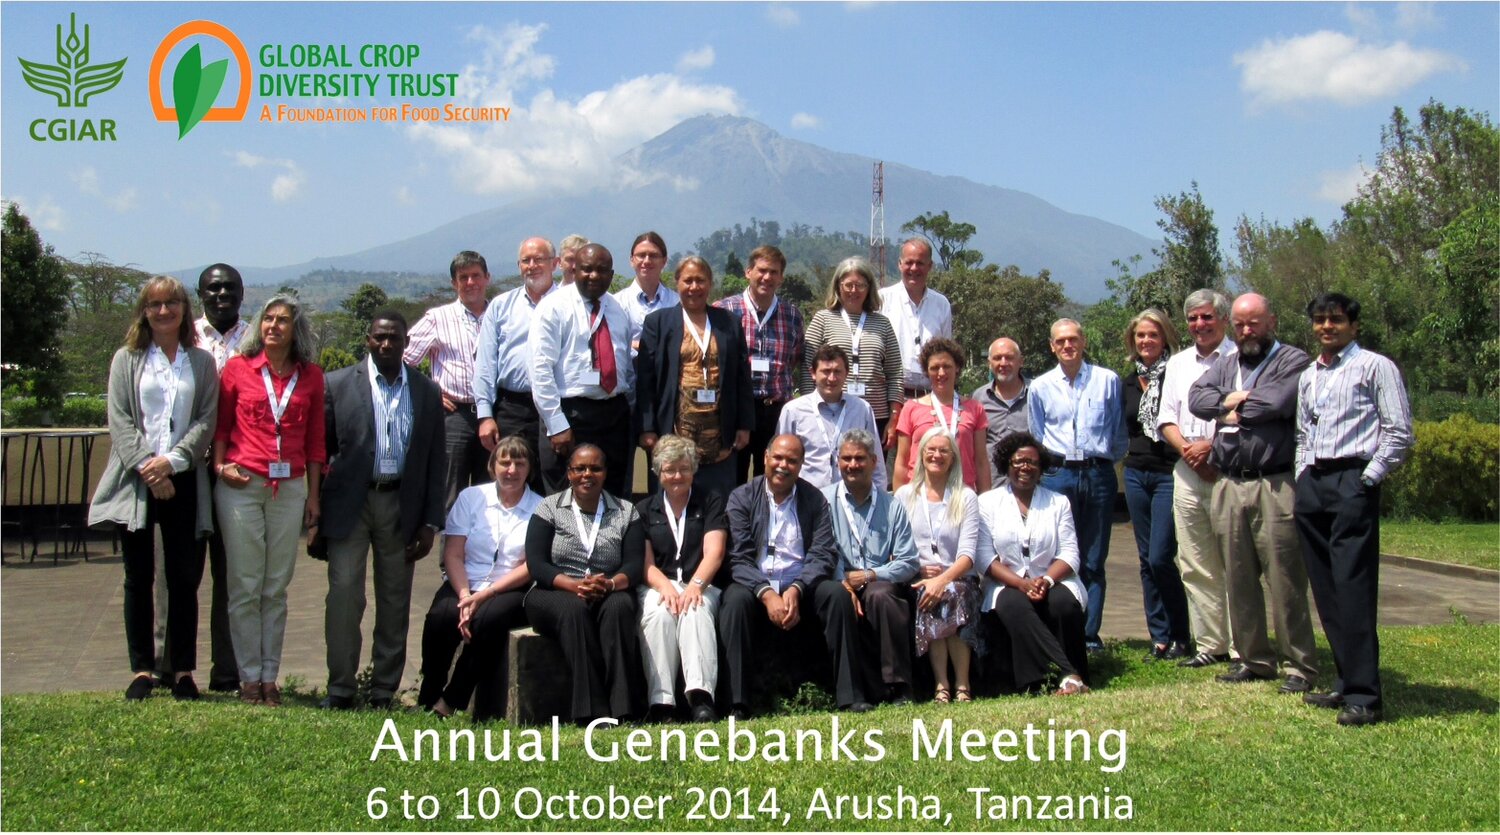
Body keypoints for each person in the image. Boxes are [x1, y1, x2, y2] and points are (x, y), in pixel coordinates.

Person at [88, 276, 218, 700]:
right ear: (143, 311)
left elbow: (205, 420)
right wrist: (149, 467)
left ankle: (181, 669)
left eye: (172, 303)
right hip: (137, 482)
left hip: (183, 478)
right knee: (137, 575)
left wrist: (172, 462)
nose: (164, 311)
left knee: (184, 577)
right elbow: (120, 420)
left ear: (183, 309)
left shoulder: (200, 362)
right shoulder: (127, 360)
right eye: (155, 304)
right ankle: (143, 668)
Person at [1188, 293, 1318, 694]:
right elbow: (1196, 399)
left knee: (1284, 578)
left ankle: (1300, 664)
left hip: (1274, 483)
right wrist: (1229, 402)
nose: (1247, 331)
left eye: (1254, 323)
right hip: (1228, 481)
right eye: (1241, 324)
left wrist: (1230, 406)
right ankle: (1254, 658)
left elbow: (1275, 402)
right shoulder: (1227, 363)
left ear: (1271, 321)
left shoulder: (1292, 361)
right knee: (1239, 575)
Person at [1294, 292, 1413, 726]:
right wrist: (1304, 474)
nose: (1328, 327)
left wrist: (1368, 478)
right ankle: (1345, 681)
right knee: (1325, 588)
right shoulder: (1310, 374)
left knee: (1353, 586)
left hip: (1352, 480)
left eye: (1337, 320)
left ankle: (1366, 695)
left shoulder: (1375, 367)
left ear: (1354, 325)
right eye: (1321, 321)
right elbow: (1304, 431)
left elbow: (1399, 430)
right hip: (1315, 483)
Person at [317, 312, 446, 710]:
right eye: (379, 337)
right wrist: (316, 514)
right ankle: (340, 686)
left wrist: (429, 522)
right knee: (343, 595)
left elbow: (435, 461)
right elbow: (320, 454)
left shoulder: (425, 391)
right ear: (368, 340)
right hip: (348, 505)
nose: (386, 344)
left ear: (407, 342)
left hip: (400, 505)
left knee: (395, 598)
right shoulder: (337, 384)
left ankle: (383, 688)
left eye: (394, 338)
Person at [214, 294, 326, 706]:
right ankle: (248, 678)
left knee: (276, 587)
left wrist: (314, 496)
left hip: (291, 487)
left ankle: (269, 677)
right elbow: (222, 426)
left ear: (296, 330)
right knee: (244, 585)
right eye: (268, 319)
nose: (273, 326)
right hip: (242, 484)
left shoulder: (311, 376)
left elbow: (316, 442)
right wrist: (220, 465)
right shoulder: (237, 370)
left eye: (282, 320)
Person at [718, 435, 869, 716]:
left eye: (792, 460)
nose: (783, 466)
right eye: (778, 458)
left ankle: (851, 695)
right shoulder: (742, 497)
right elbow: (738, 558)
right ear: (765, 457)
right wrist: (766, 593)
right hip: (755, 585)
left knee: (836, 594)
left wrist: (797, 588)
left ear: (801, 465)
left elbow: (823, 553)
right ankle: (736, 703)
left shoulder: (814, 499)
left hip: (802, 584)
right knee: (734, 601)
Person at [418, 437, 541, 721]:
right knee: (441, 616)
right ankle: (429, 691)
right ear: (491, 466)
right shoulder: (470, 498)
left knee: (487, 620)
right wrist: (464, 596)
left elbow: (530, 566)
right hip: (465, 581)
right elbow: (453, 554)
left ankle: (452, 699)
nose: (511, 470)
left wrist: (484, 596)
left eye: (519, 463)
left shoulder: (540, 507)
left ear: (529, 469)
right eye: (505, 462)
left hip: (508, 587)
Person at [523, 445, 646, 722]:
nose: (587, 474)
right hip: (554, 590)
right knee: (574, 611)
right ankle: (592, 710)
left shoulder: (626, 511)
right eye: (580, 468)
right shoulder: (548, 507)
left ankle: (624, 708)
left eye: (595, 468)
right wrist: (574, 585)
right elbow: (537, 564)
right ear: (569, 473)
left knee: (620, 609)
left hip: (607, 587)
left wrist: (611, 585)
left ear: (605, 473)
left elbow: (634, 566)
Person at [1027, 318, 1126, 652]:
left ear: (1083, 341)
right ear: (1052, 346)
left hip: (1098, 473)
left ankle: (1088, 634)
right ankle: (1059, 629)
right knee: (1057, 555)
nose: (1067, 346)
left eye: (1073, 340)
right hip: (1059, 474)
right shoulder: (1040, 387)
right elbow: (1037, 435)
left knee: (1095, 557)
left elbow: (1117, 433)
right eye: (1060, 341)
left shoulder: (1107, 381)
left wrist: (1101, 463)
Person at [1156, 289, 1237, 669]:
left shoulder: (1240, 359)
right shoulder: (1178, 363)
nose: (1199, 325)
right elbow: (1166, 418)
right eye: (1193, 319)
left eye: (1206, 317)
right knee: (1194, 560)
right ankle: (1211, 644)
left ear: (1224, 319)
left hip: (1228, 470)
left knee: (1236, 560)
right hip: (1187, 470)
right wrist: (1189, 451)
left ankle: (1243, 646)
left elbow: (1246, 416)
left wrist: (1212, 448)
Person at [975, 432, 1089, 696]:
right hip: (1007, 582)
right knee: (1013, 604)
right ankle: (1065, 674)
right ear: (1007, 465)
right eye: (1018, 462)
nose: (1024, 467)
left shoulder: (1058, 502)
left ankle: (1062, 677)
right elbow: (984, 558)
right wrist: (1020, 583)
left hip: (1052, 579)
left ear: (1041, 468)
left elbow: (1071, 553)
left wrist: (1046, 580)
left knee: (1063, 604)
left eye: (1032, 463)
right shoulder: (988, 502)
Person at [634, 256, 753, 497]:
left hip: (720, 433)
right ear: (677, 282)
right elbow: (645, 380)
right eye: (688, 280)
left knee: (718, 503)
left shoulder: (728, 322)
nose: (694, 287)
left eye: (700, 280)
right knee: (674, 499)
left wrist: (744, 424)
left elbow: (742, 376)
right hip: (675, 430)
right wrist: (647, 427)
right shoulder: (658, 322)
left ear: (710, 284)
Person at [823, 429, 920, 705]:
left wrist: (872, 574)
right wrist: (844, 583)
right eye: (846, 459)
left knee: (880, 594)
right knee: (840, 600)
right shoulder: (824, 501)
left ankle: (898, 686)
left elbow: (909, 561)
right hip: (840, 581)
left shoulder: (892, 505)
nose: (853, 465)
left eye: (860, 458)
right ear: (837, 462)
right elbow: (823, 551)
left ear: (874, 462)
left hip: (879, 582)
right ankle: (860, 692)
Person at [529, 244, 635, 496]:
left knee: (613, 497)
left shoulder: (617, 309)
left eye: (601, 270)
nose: (594, 276)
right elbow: (540, 370)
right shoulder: (553, 307)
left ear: (611, 274)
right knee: (565, 500)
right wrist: (557, 424)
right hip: (571, 416)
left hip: (613, 415)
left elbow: (625, 367)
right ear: (574, 270)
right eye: (587, 269)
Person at [636, 435, 729, 722]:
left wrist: (695, 586)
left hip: (701, 581)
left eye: (684, 468)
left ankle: (701, 698)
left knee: (695, 609)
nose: (677, 476)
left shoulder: (710, 500)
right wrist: (665, 587)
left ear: (694, 469)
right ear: (658, 472)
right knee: (657, 613)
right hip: (658, 583)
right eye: (670, 469)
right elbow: (645, 564)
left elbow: (714, 552)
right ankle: (662, 703)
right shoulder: (643, 509)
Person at [1122, 309, 1192, 661]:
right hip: (1136, 473)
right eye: (1140, 336)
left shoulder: (1177, 375)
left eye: (1152, 334)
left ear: (1165, 337)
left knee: (1161, 556)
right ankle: (1159, 637)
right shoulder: (1129, 382)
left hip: (1168, 472)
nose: (1146, 341)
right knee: (1145, 560)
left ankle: (1182, 633)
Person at [192, 262, 249, 693]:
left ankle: (226, 671)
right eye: (213, 288)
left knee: (232, 577)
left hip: (237, 473)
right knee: (179, 572)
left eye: (229, 287)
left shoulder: (257, 338)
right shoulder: (184, 335)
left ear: (242, 293)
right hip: (189, 469)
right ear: (201, 294)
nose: (222, 294)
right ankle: (169, 666)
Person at [897, 427, 981, 703]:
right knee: (930, 595)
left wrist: (942, 579)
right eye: (931, 450)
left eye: (944, 451)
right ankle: (942, 684)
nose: (936, 455)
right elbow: (896, 549)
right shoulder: (904, 496)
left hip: (958, 577)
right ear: (920, 455)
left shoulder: (965, 497)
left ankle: (963, 684)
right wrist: (920, 570)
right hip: (917, 577)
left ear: (953, 458)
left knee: (952, 593)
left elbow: (968, 555)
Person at [404, 250, 492, 508]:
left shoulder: (499, 316)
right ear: (454, 283)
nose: (470, 283)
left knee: (488, 493)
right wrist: (431, 393)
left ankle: (482, 549)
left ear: (487, 278)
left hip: (492, 414)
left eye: (476, 275)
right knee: (450, 493)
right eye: (463, 277)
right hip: (454, 416)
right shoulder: (437, 318)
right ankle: (450, 548)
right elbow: (401, 361)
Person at [716, 245, 805, 484]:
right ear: (748, 272)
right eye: (762, 270)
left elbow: (795, 357)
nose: (767, 277)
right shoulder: (724, 310)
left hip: (776, 409)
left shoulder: (792, 315)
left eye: (774, 272)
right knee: (733, 475)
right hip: (736, 409)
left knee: (772, 477)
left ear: (781, 277)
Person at [475, 237, 558, 493]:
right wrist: (485, 415)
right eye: (526, 260)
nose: (532, 266)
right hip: (512, 409)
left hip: (556, 407)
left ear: (555, 263)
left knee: (553, 483)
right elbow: (485, 364)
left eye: (539, 259)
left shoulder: (569, 303)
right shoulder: (501, 306)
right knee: (511, 482)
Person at [804, 257, 903, 448]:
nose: (854, 291)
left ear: (869, 288)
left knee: (870, 472)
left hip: (876, 415)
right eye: (848, 285)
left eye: (860, 285)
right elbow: (809, 368)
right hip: (831, 411)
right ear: (838, 286)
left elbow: (895, 372)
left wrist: (893, 418)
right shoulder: (822, 319)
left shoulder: (882, 323)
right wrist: (809, 410)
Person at [775, 345, 885, 490]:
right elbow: (780, 459)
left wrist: (880, 499)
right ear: (813, 373)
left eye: (837, 371)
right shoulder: (793, 411)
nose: (832, 378)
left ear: (846, 373)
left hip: (851, 499)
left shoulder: (862, 409)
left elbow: (875, 461)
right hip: (806, 499)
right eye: (826, 371)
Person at [893, 337, 991, 493]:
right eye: (934, 367)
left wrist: (985, 502)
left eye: (947, 366)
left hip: (961, 495)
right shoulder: (910, 408)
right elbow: (902, 462)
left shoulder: (974, 408)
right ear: (926, 371)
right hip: (920, 496)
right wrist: (898, 504)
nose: (941, 373)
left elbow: (981, 461)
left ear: (957, 368)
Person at [879, 239, 953, 402]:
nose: (914, 268)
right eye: (909, 262)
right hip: (891, 398)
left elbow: (946, 353)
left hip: (931, 398)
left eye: (920, 263)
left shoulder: (941, 304)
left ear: (930, 266)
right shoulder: (882, 299)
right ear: (899, 264)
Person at [613, 231, 679, 355]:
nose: (647, 261)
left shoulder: (677, 303)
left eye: (653, 255)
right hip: (629, 373)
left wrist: (637, 345)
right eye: (641, 255)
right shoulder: (617, 303)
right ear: (632, 260)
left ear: (664, 261)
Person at [972, 337, 1030, 470]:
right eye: (997, 358)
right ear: (989, 363)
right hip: (993, 480)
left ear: (1021, 361)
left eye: (1009, 358)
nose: (1003, 363)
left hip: (1028, 479)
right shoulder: (979, 397)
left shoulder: (1036, 393)